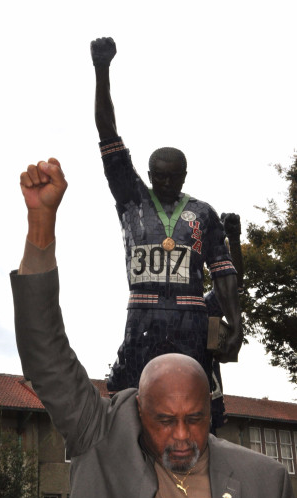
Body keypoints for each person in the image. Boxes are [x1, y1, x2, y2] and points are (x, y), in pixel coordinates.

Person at [10, 158, 294, 498]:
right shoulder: (99, 439)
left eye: (194, 418)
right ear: (139, 409)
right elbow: (46, 355)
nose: (181, 437)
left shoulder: (266, 482)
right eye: (164, 420)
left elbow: (229, 284)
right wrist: (41, 221)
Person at [91, 37, 242, 401]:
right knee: (132, 400)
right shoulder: (132, 200)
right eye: (160, 175)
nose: (167, 182)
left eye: (175, 176)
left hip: (190, 321)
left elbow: (224, 272)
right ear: (149, 172)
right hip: (142, 318)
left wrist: (235, 322)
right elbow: (107, 130)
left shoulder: (203, 213)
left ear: (185, 174)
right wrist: (101, 70)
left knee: (189, 399)